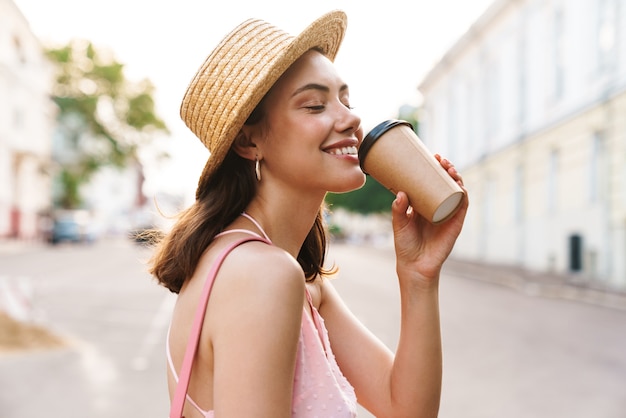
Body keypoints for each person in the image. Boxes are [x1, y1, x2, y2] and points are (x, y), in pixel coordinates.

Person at [150, 9, 468, 418]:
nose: (351, 118)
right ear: (249, 141)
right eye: (315, 105)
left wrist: (419, 276)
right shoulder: (262, 274)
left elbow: (405, 409)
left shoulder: (291, 275)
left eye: (345, 100)